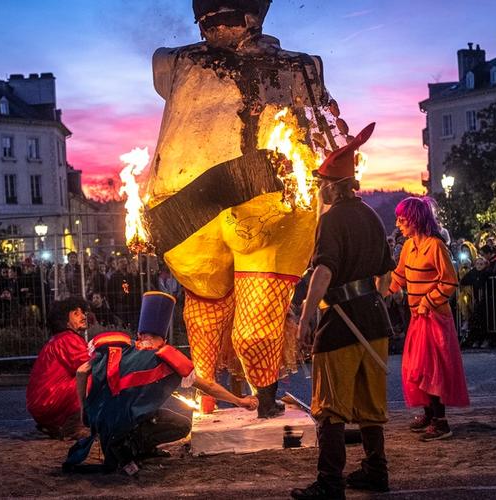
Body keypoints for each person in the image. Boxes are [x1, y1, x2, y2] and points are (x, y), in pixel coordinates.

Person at [145, 0, 349, 417]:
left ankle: (265, 399)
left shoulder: (301, 65)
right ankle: (208, 399)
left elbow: (317, 133)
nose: (216, 26)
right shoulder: (174, 61)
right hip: (189, 210)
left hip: (270, 208)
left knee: (254, 332)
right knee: (203, 320)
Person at [292, 123, 394, 500]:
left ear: (333, 185)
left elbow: (324, 270)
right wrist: (374, 299)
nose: (319, 187)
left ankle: (330, 482)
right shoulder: (371, 215)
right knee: (369, 405)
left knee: (330, 407)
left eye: (321, 182)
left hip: (341, 324)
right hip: (374, 319)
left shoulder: (331, 219)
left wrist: (305, 317)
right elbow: (386, 272)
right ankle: (375, 471)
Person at [65, 292, 257, 474]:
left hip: (104, 423)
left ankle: (130, 447)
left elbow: (81, 371)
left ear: (139, 335)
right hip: (125, 426)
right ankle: (132, 446)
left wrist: (84, 408)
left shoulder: (118, 347)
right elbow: (209, 386)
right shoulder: (168, 359)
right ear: (164, 339)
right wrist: (240, 401)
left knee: (144, 413)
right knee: (181, 425)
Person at [386, 196, 470, 442]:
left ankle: (440, 421)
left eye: (402, 219)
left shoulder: (435, 246)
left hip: (434, 318)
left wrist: (426, 301)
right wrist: (377, 291)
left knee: (432, 369)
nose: (398, 224)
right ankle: (429, 413)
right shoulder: (409, 247)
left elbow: (449, 281)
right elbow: (398, 278)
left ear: (415, 219)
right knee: (416, 368)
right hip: (417, 318)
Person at [26, 297, 91, 439]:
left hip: (43, 403)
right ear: (65, 320)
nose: (83, 316)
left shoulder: (59, 339)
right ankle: (74, 426)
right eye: (76, 313)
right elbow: (89, 365)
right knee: (95, 376)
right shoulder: (68, 339)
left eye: (83, 312)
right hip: (49, 401)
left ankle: (61, 425)